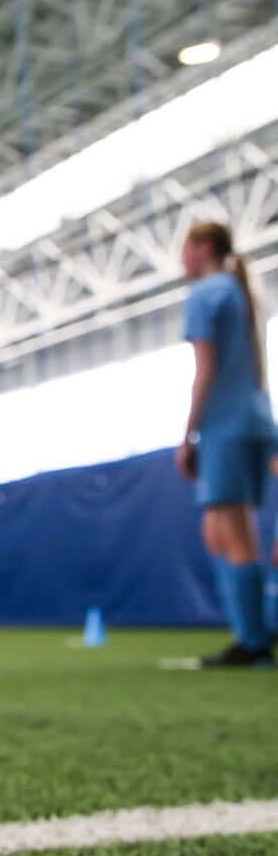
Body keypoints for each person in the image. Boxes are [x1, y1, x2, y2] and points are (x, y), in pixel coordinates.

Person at [176, 221, 275, 668]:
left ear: (204, 248)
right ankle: (253, 631)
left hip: (225, 426)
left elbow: (205, 370)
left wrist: (189, 434)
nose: (183, 260)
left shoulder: (205, 294)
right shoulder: (238, 292)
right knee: (220, 532)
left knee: (234, 535)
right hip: (255, 421)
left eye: (186, 249)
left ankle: (253, 642)